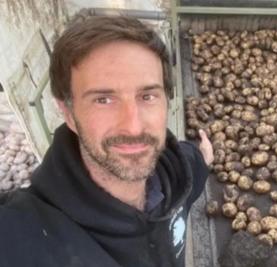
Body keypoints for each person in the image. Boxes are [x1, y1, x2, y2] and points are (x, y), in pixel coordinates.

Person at [0, 15, 213, 267]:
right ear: (68, 113)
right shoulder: (21, 236)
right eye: (103, 99)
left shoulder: (177, 172)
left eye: (147, 96)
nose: (133, 126)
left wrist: (202, 157)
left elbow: (195, 163)